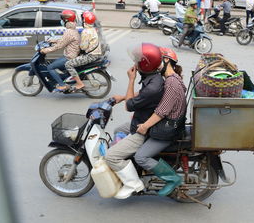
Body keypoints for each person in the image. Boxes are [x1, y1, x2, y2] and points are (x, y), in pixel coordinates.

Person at [105, 43, 165, 199]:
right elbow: (141, 95)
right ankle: (127, 165)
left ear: (145, 64)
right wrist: (123, 96)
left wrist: (131, 80)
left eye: (138, 61)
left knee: (110, 156)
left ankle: (133, 184)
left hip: (144, 130)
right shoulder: (155, 78)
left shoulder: (153, 87)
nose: (135, 63)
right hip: (140, 122)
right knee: (118, 129)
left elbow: (129, 106)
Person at [134, 47, 186, 197]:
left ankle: (172, 179)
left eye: (157, 61)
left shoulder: (171, 83)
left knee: (141, 157)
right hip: (169, 125)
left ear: (166, 60)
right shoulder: (172, 78)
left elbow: (161, 112)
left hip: (167, 131)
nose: (154, 64)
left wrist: (145, 126)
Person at [40, 10, 81, 91]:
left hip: (69, 56)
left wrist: (45, 50)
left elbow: (58, 46)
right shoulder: (72, 29)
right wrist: (53, 40)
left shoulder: (69, 31)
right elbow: (64, 40)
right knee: (54, 62)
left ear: (66, 20)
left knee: (50, 67)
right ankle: (65, 79)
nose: (61, 20)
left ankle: (62, 85)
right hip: (71, 54)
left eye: (62, 18)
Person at [63, 11, 102, 91]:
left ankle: (79, 83)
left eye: (83, 18)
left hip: (90, 56)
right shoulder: (93, 29)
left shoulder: (86, 32)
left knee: (68, 64)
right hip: (96, 54)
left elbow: (83, 47)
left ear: (85, 21)